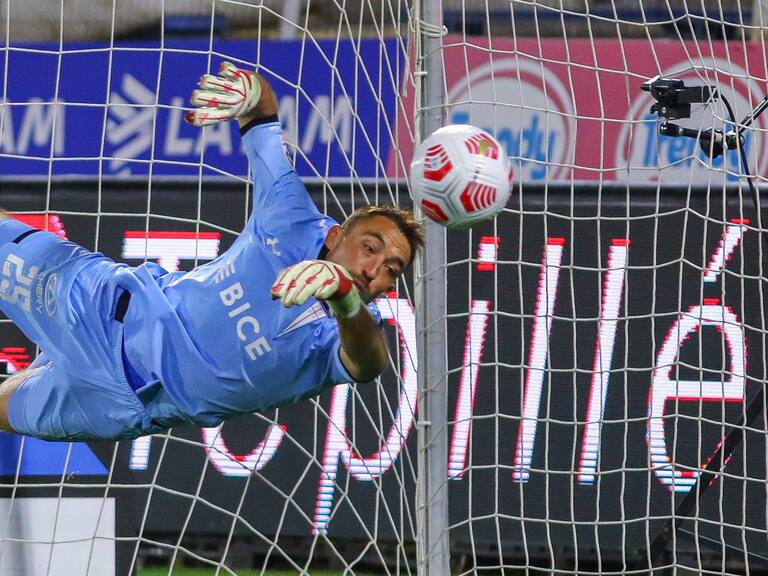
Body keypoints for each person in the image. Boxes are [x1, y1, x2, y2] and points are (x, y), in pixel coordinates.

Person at [0, 62, 424, 441]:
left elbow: (369, 365)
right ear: (336, 236)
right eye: (369, 247)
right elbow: (262, 113)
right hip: (98, 305)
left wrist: (344, 296)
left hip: (113, 403)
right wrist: (252, 93)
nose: (374, 269)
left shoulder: (345, 336)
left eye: (391, 268)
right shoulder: (290, 218)